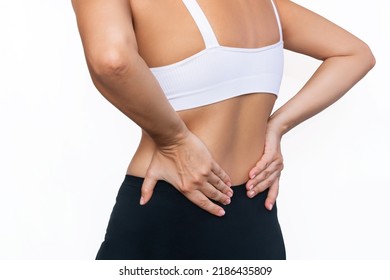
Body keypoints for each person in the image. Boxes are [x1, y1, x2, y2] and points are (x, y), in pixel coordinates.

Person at [71, 0, 375, 260]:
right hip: (255, 214)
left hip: (170, 206)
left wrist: (174, 141)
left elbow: (112, 61)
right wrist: (276, 126)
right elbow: (356, 54)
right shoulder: (266, 6)